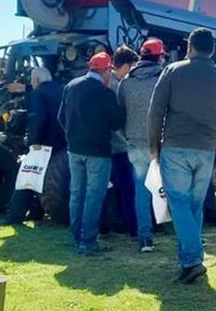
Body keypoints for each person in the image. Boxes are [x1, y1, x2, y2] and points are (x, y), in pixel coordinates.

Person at [148, 28, 216, 283]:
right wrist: (214, 142)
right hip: (206, 149)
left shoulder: (173, 71)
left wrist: (154, 144)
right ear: (212, 49)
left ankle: (193, 260)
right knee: (194, 207)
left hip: (176, 146)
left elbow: (156, 112)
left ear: (189, 47)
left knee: (178, 204)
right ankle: (188, 262)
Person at [58, 52, 124, 255]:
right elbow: (118, 123)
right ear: (105, 70)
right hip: (98, 152)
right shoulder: (105, 93)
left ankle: (76, 236)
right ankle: (88, 241)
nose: (110, 76)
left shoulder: (71, 86)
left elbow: (61, 117)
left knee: (76, 194)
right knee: (94, 196)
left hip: (74, 149)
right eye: (109, 72)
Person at [0, 67, 66, 225]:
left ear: (36, 80)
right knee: (46, 178)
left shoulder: (38, 94)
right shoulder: (62, 89)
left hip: (43, 143)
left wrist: (34, 140)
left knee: (27, 177)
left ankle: (14, 215)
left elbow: (37, 118)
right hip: (61, 142)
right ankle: (37, 210)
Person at [118, 38, 166, 253]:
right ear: (159, 56)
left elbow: (120, 114)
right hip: (161, 143)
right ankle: (183, 233)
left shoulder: (126, 81)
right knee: (172, 189)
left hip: (135, 143)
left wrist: (127, 136)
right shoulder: (164, 78)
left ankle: (145, 238)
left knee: (141, 191)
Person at [108, 45, 140, 236]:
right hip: (120, 145)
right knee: (128, 188)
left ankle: (113, 223)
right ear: (126, 65)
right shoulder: (118, 85)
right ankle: (133, 227)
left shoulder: (108, 82)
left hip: (109, 145)